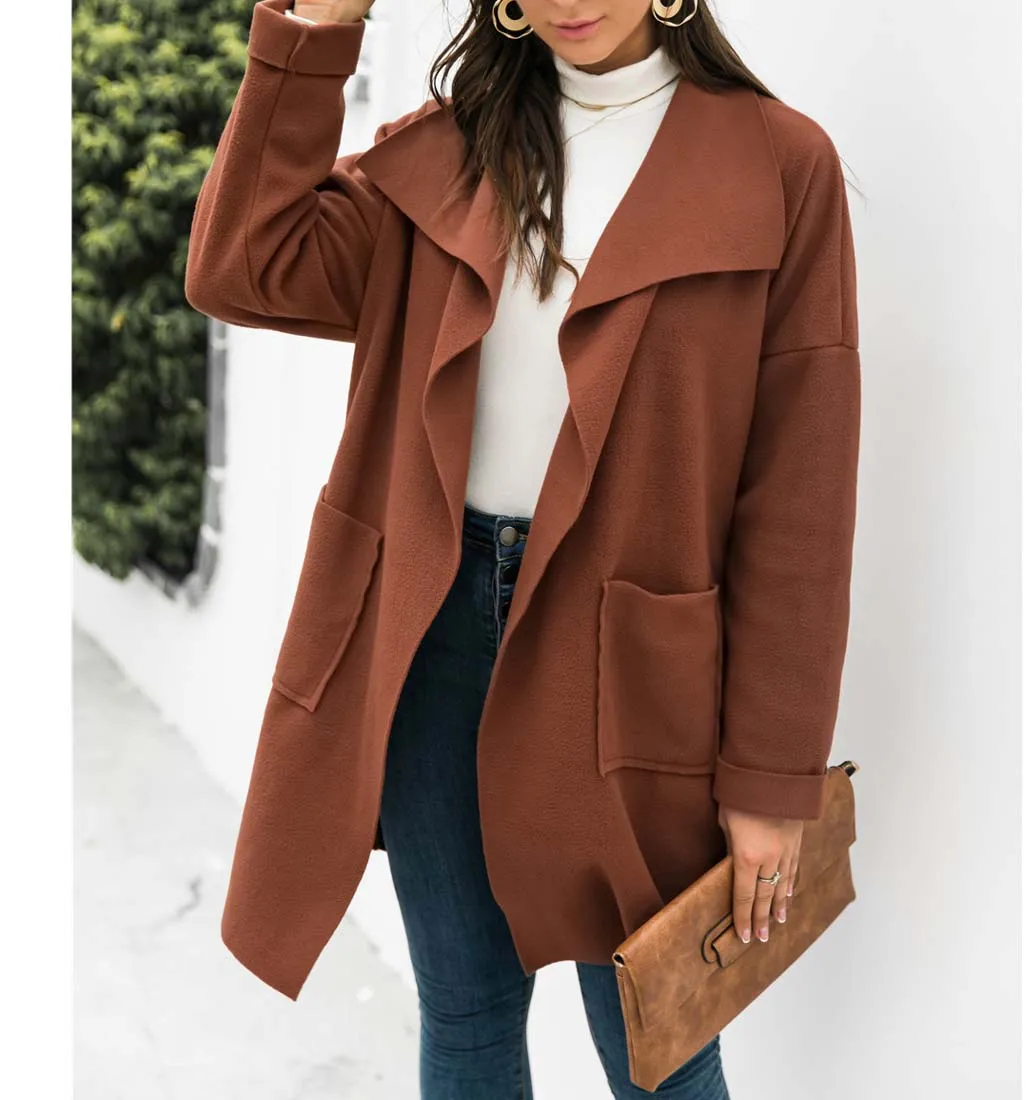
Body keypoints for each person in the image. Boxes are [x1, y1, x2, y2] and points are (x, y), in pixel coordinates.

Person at [185, 1, 861, 1097]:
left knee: (659, 1044)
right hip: (432, 637)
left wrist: (770, 775)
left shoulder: (780, 166)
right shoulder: (444, 154)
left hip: (632, 666)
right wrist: (315, 31)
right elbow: (242, 262)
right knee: (464, 1019)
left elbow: (800, 501)